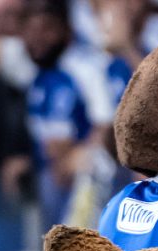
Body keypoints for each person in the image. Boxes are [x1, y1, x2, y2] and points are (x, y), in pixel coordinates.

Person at [22, 0, 113, 226]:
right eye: (30, 30)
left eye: (46, 29)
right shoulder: (36, 71)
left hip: (86, 182)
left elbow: (107, 123)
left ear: (66, 29)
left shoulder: (86, 68)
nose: (38, 38)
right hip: (48, 179)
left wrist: (81, 154)